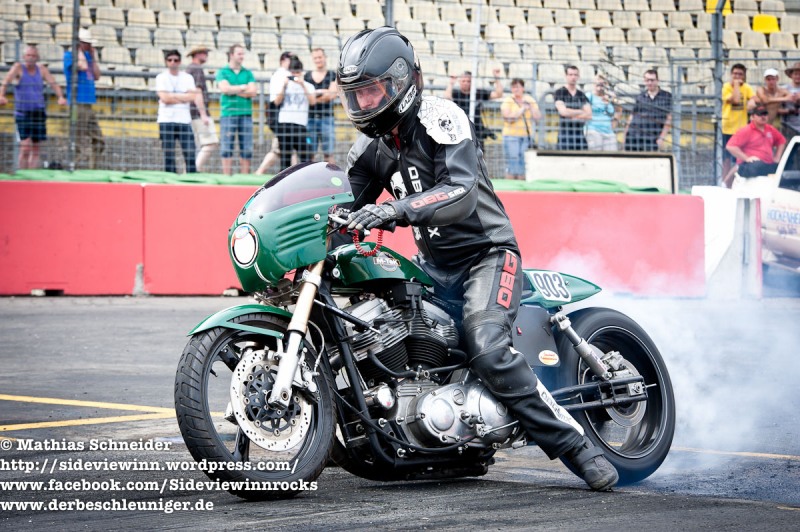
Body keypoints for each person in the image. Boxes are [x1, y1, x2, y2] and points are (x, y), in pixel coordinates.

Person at [338, 27, 618, 492]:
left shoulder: (441, 119)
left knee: (486, 346)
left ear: (402, 82)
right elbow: (345, 207)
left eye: (373, 90)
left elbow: (461, 190)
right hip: (432, 268)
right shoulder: (369, 150)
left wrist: (394, 210)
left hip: (487, 255)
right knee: (384, 332)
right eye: (357, 93)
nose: (365, 102)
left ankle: (576, 447)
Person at [0, 45, 67, 169]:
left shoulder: (41, 69)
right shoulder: (18, 68)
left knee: (36, 148)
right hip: (23, 113)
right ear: (24, 57)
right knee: (25, 147)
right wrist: (1, 95)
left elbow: (53, 83)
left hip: (38, 112)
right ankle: (22, 174)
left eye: (33, 56)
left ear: (37, 58)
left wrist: (60, 97)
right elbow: (6, 81)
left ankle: (32, 175)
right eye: (28, 55)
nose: (30, 58)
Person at [155, 49, 206, 174]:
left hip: (184, 120)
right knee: (168, 153)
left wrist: (172, 96)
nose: (173, 62)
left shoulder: (187, 77)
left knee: (190, 152)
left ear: (180, 62)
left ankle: (191, 177)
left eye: (176, 60)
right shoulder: (161, 77)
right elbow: (164, 98)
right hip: (166, 120)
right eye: (170, 60)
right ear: (166, 62)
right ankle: (170, 177)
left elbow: (192, 96)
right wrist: (182, 97)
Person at [63, 28, 104, 169]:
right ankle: (72, 168)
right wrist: (79, 50)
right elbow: (82, 66)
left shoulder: (88, 56)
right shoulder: (70, 56)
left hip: (88, 103)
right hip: (77, 103)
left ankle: (93, 169)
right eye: (87, 43)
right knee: (77, 140)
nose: (90, 46)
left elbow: (97, 75)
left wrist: (93, 57)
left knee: (98, 140)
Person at [216, 43, 256, 175]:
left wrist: (233, 90)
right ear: (231, 55)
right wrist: (243, 87)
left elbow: (253, 92)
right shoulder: (223, 72)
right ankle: (227, 176)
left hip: (246, 114)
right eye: (239, 53)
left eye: (243, 53)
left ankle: (244, 177)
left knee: (247, 147)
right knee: (227, 146)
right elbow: (224, 89)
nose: (242, 56)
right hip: (228, 113)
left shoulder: (248, 72)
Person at [723, 104, 786, 187]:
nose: (763, 117)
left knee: (785, 170)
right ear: (752, 117)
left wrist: (777, 157)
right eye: (759, 114)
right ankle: (727, 182)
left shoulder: (770, 129)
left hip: (768, 164)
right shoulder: (746, 130)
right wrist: (746, 158)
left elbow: (781, 141)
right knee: (756, 166)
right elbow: (730, 146)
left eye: (765, 114)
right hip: (750, 165)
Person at [272, 56, 316, 170]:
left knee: (305, 156)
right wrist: (284, 86)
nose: (295, 75)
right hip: (285, 123)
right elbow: (276, 102)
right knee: (285, 158)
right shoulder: (285, 84)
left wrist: (302, 85)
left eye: (297, 72)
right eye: (293, 73)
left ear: (302, 72)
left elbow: (313, 102)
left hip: (300, 124)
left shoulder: (308, 86)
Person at [444, 68, 503, 150]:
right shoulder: (455, 93)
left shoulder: (479, 92)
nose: (466, 83)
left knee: (478, 154)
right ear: (460, 82)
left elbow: (498, 94)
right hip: (460, 130)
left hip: (477, 130)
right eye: (463, 81)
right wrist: (451, 83)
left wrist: (497, 78)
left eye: (469, 81)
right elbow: (447, 97)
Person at [256, 51, 293, 175]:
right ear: (283, 60)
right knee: (278, 148)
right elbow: (277, 100)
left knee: (285, 147)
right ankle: (260, 172)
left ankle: (260, 172)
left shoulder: (279, 74)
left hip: (281, 115)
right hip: (280, 115)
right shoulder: (283, 75)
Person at [185, 44, 218, 172]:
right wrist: (203, 114)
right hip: (198, 112)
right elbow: (197, 92)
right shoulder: (196, 69)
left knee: (200, 144)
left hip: (191, 111)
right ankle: (194, 169)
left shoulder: (190, 68)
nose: (206, 55)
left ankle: (192, 169)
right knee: (211, 142)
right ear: (197, 54)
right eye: (204, 52)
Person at [500, 78, 540, 180]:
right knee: (513, 160)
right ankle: (511, 183)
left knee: (523, 161)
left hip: (526, 136)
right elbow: (508, 118)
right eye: (514, 87)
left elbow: (537, 118)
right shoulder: (508, 101)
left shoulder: (530, 100)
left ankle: (521, 183)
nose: (516, 89)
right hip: (511, 136)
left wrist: (531, 107)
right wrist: (522, 109)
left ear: (523, 88)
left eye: (518, 87)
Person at [623, 69, 671, 152]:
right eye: (647, 80)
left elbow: (669, 119)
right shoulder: (640, 97)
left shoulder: (666, 96)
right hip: (633, 137)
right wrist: (625, 135)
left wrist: (661, 138)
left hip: (652, 139)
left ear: (657, 81)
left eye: (652, 80)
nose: (649, 83)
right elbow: (631, 117)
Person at [721, 63, 755, 178]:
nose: (737, 76)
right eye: (735, 74)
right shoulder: (726, 87)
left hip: (741, 129)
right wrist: (736, 84)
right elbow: (735, 100)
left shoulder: (747, 87)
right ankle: (724, 182)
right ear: (731, 74)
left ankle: (735, 181)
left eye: (740, 74)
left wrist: (752, 102)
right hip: (727, 128)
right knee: (726, 158)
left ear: (744, 76)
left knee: (739, 159)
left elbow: (754, 99)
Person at [305, 48, 338, 163]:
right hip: (310, 119)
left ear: (325, 57)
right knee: (310, 155)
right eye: (315, 58)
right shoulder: (307, 76)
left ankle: (331, 175)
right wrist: (324, 92)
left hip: (327, 118)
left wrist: (313, 96)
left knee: (328, 154)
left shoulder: (332, 75)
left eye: (320, 57)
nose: (318, 60)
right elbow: (305, 97)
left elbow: (331, 95)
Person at [553, 65, 591, 150]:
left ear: (578, 77)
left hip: (579, 134)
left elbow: (589, 114)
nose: (573, 77)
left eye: (575, 75)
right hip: (565, 133)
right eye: (570, 74)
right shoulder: (559, 92)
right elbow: (563, 112)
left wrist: (572, 115)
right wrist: (581, 111)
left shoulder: (581, 95)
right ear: (566, 76)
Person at [585, 74, 620, 151]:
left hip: (609, 132)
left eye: (603, 84)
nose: (600, 86)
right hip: (594, 131)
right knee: (596, 156)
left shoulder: (610, 97)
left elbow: (618, 110)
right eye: (598, 83)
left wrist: (614, 124)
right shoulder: (589, 96)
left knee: (612, 156)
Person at [782, 62, 800, 138]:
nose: (798, 76)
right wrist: (789, 111)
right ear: (791, 75)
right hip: (788, 127)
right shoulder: (783, 89)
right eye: (796, 74)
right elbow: (776, 109)